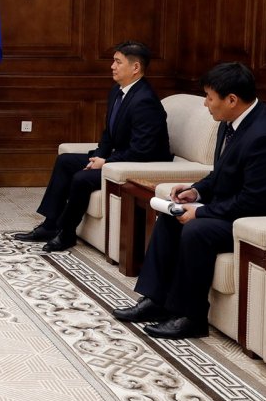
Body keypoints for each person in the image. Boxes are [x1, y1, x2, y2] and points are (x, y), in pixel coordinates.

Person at [113, 62, 266, 339]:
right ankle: (156, 301)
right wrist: (196, 192)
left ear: (232, 100)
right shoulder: (233, 123)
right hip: (244, 209)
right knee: (171, 216)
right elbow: (222, 174)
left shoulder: (265, 137)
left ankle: (191, 317)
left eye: (209, 97)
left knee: (197, 229)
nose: (205, 104)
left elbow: (255, 202)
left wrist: (201, 213)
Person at [14, 41, 172, 252]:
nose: (112, 66)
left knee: (82, 178)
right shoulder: (118, 91)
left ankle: (67, 233)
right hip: (121, 157)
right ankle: (50, 225)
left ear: (135, 67)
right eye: (113, 61)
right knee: (65, 161)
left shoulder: (145, 100)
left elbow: (143, 150)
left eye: (118, 62)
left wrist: (105, 162)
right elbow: (108, 134)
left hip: (141, 165)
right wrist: (98, 156)